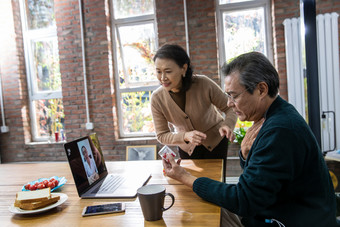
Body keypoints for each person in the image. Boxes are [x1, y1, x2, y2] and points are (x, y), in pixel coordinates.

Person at [162, 52, 338, 226]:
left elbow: (244, 200)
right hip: (276, 209)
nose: (229, 103)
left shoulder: (280, 130)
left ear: (261, 89)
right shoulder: (277, 114)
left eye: (234, 95)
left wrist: (185, 177)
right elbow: (260, 182)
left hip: (292, 219)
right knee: (209, 206)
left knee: (201, 216)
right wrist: (246, 156)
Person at [151, 44, 237, 159]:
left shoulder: (203, 83)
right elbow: (162, 135)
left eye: (168, 71)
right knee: (190, 177)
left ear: (184, 68)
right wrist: (185, 136)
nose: (163, 78)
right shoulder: (157, 98)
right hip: (187, 150)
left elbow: (230, 107)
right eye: (158, 71)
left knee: (216, 177)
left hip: (216, 143)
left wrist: (228, 125)